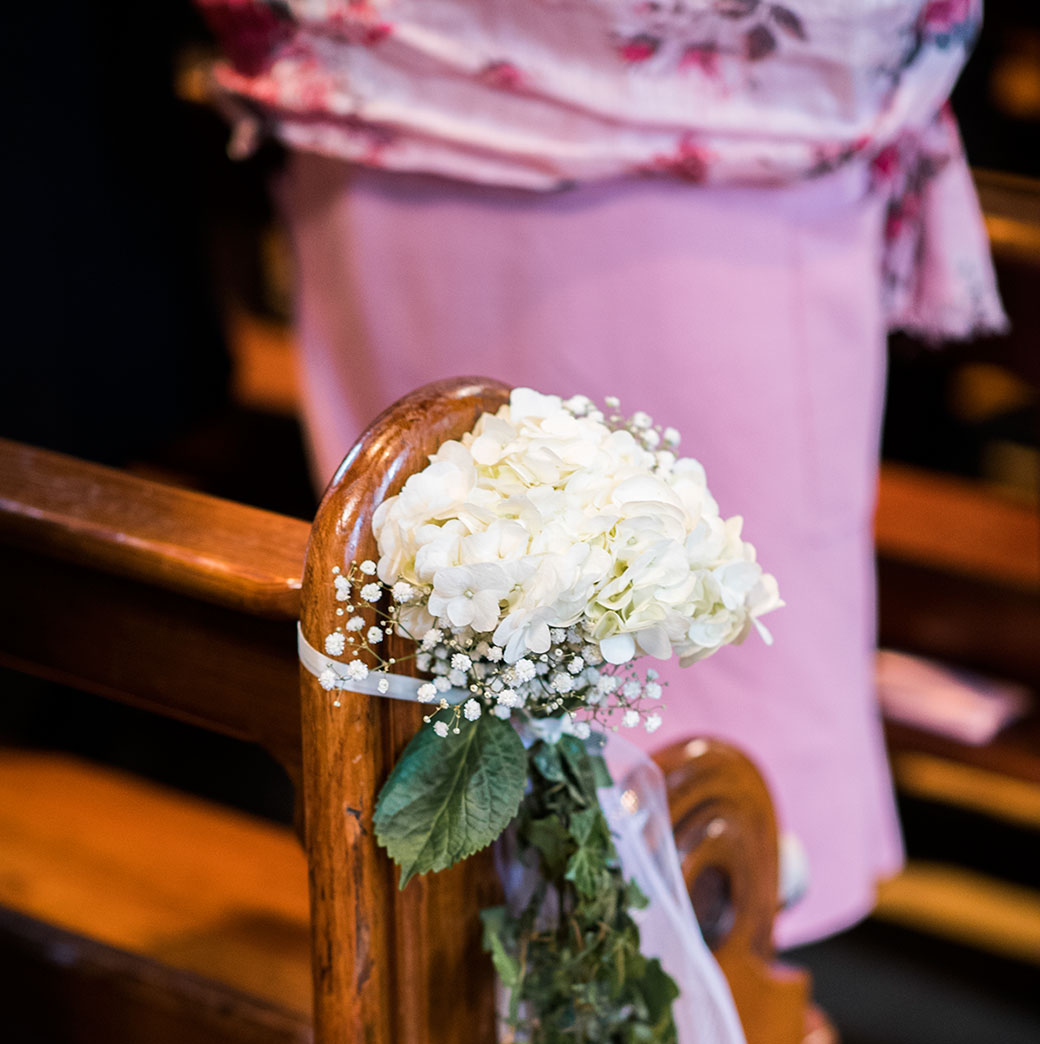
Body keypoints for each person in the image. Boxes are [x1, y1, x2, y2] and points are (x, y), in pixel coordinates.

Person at [198, 2, 1003, 944]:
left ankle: (659, 1031)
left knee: (695, 696)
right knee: (440, 650)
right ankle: (491, 1018)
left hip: (663, 163)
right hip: (423, 129)